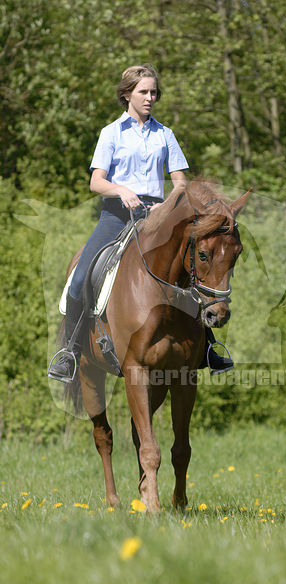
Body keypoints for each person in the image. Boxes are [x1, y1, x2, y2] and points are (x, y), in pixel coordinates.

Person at [48, 64, 233, 382]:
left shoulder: (165, 134)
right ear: (127, 95)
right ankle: (70, 352)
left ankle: (208, 347)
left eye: (153, 92)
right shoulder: (111, 133)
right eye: (144, 92)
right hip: (116, 216)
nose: (150, 98)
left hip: (157, 218)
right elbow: (97, 182)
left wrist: (169, 203)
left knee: (191, 274)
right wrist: (121, 190)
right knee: (79, 281)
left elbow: (179, 182)